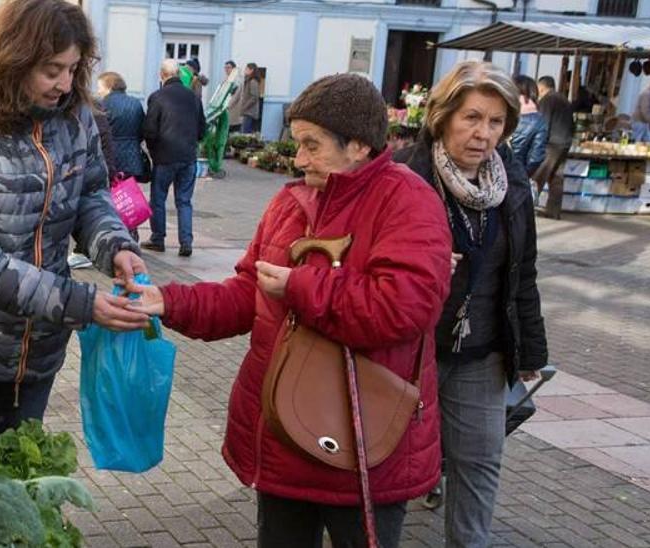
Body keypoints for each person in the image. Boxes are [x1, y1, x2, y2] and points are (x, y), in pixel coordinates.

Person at [126, 73, 451, 548]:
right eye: (297, 144)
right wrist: (170, 301)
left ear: (358, 145)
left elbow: (404, 306)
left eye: (311, 145)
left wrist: (302, 285)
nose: (298, 159)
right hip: (284, 435)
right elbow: (248, 294)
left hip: (364, 440)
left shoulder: (407, 200)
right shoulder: (289, 201)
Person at [0, 0, 147, 442]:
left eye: (73, 69)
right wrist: (80, 303)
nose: (65, 84)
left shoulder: (76, 118)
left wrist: (114, 245)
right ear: (14, 60)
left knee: (16, 483)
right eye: (52, 70)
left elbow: (91, 193)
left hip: (37, 346)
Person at [393, 61, 548, 548]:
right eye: (472, 118)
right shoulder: (405, 176)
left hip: (483, 349)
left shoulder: (513, 185)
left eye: (496, 122)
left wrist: (532, 354)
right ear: (443, 117)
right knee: (395, 460)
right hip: (411, 350)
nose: (483, 134)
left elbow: (522, 272)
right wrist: (421, 262)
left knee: (481, 459)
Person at [141, 59, 205, 257]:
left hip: (165, 158)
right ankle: (186, 242)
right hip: (188, 157)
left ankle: (158, 239)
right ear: (178, 74)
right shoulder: (193, 97)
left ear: (162, 75)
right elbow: (202, 129)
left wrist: (153, 152)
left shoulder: (157, 97)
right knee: (184, 201)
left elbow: (149, 130)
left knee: (158, 199)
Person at [535, 76, 574, 219]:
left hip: (552, 143)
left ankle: (526, 206)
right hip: (565, 143)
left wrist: (538, 143)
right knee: (556, 177)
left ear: (542, 87)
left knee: (539, 175)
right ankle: (553, 210)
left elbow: (544, 123)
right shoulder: (565, 100)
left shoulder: (547, 100)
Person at [97, 72, 146, 182]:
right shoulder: (136, 103)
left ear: (108, 87)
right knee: (128, 195)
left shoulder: (102, 105)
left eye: (100, 87)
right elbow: (143, 129)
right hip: (132, 157)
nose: (98, 91)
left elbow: (99, 132)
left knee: (110, 195)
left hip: (110, 157)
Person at [203, 61, 240, 177]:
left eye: (229, 67)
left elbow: (232, 98)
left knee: (221, 139)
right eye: (225, 67)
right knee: (214, 138)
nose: (226, 69)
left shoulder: (235, 82)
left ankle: (217, 164)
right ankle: (212, 163)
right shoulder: (226, 81)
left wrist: (226, 108)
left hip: (226, 112)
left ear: (233, 69)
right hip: (219, 112)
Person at [509, 75, 547, 175]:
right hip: (516, 174)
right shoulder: (539, 121)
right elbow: (535, 158)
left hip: (491, 172)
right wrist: (522, 176)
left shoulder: (502, 110)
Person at [229, 62, 262, 134]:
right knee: (244, 132)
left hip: (249, 112)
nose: (245, 70)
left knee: (245, 133)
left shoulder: (253, 81)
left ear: (251, 70)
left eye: (246, 69)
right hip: (246, 112)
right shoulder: (248, 81)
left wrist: (244, 107)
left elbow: (254, 97)